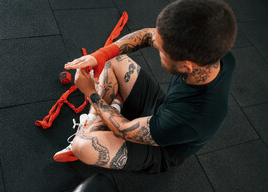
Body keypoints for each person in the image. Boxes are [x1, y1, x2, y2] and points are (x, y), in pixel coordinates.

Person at [54, 0, 237, 173]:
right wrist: (101, 55)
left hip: (162, 147)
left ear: (186, 66)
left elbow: (123, 129)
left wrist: (91, 93)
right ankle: (104, 115)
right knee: (113, 58)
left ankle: (105, 115)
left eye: (161, 51)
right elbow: (148, 35)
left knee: (83, 147)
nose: (156, 47)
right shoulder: (217, 55)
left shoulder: (193, 118)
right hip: (163, 111)